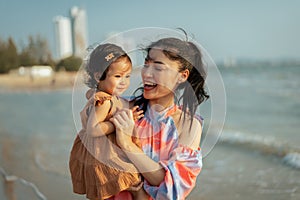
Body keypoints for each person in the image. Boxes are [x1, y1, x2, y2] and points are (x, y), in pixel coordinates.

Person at [110, 36, 209, 199]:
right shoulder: (123, 106)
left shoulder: (189, 125)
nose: (146, 73)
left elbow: (173, 190)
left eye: (158, 67)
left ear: (182, 76)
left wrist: (127, 144)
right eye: (146, 64)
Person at [69, 43, 144, 200]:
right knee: (128, 180)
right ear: (98, 76)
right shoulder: (105, 101)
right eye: (118, 76)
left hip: (97, 152)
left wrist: (129, 114)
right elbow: (93, 129)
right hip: (104, 154)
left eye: (127, 76)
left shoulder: (99, 95)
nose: (124, 82)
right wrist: (118, 122)